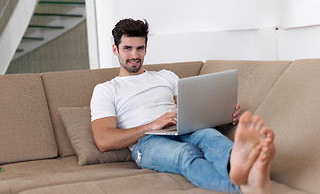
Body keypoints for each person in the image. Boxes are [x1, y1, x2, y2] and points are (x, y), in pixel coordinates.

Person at [90, 18, 275, 194]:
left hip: (180, 127)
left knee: (209, 135)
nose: (134, 55)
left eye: (140, 48)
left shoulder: (166, 76)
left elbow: (190, 110)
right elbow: (103, 141)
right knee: (186, 154)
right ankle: (244, 187)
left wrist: (220, 113)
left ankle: (243, 168)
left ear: (146, 49)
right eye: (127, 48)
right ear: (115, 49)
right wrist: (150, 126)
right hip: (146, 142)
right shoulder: (106, 90)